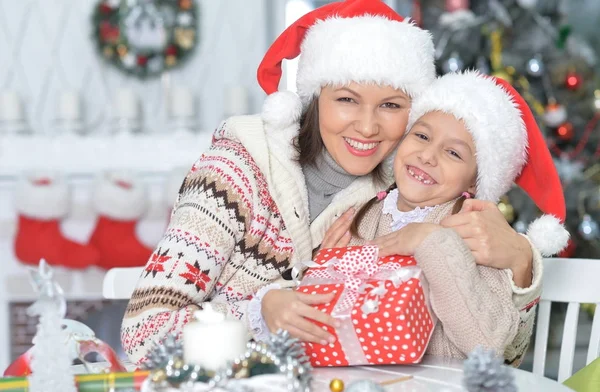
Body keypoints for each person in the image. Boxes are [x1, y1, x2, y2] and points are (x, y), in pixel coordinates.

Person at [121, 0, 550, 364]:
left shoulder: (404, 195)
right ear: (314, 99)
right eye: (346, 99)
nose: (366, 126)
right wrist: (260, 311)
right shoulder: (235, 171)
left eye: (390, 104)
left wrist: (519, 260)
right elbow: (145, 334)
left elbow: (500, 358)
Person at [339, 71, 567, 365]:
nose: (427, 156)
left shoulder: (475, 230)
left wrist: (432, 241)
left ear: (474, 183)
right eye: (421, 136)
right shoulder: (366, 212)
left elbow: (488, 345)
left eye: (453, 153)